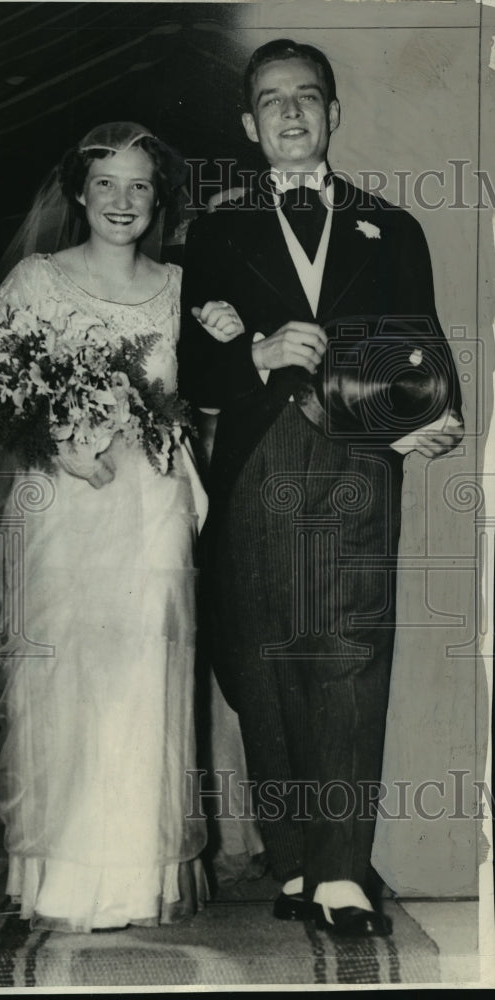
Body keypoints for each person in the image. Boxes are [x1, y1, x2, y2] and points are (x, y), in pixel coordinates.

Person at [178, 40, 464, 938]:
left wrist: (430, 419)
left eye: (309, 98)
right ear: (248, 125)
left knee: (348, 650)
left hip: (357, 462)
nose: (291, 114)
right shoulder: (215, 233)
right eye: (272, 101)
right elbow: (188, 365)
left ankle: (342, 872)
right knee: (264, 656)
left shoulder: (395, 228)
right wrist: (252, 354)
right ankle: (297, 859)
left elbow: (427, 357)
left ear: (334, 114)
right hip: (257, 460)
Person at [0, 122, 208, 932]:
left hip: (149, 508)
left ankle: (132, 879)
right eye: (106, 185)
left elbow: (199, 396)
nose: (122, 201)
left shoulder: (177, 287)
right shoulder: (36, 279)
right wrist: (57, 445)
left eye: (139, 186)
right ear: (79, 194)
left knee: (140, 681)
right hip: (63, 509)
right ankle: (60, 878)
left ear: (156, 197)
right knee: (64, 681)